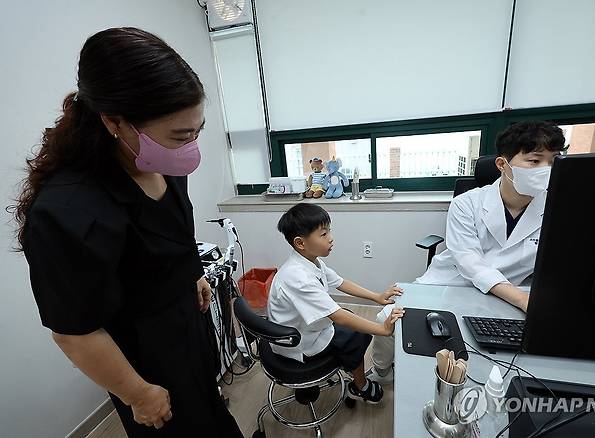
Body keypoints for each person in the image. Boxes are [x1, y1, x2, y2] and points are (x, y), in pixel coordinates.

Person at [13, 28, 242, 437]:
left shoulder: (162, 163)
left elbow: (168, 234)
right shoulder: (68, 213)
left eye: (197, 130)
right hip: (142, 362)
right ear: (115, 121)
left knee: (212, 415)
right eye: (180, 135)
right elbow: (74, 332)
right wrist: (136, 393)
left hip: (187, 326)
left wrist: (192, 273)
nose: (190, 146)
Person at [367, 121, 566, 384]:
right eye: (534, 160)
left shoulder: (558, 208)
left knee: (502, 349)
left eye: (553, 161)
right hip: (451, 282)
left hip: (508, 290)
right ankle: (381, 372)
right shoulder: (467, 203)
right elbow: (468, 262)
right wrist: (520, 299)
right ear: (502, 165)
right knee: (387, 318)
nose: (546, 170)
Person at [268, 203, 405, 404]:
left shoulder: (310, 261)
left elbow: (340, 282)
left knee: (352, 324)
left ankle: (349, 367)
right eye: (323, 234)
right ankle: (360, 386)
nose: (331, 238)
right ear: (300, 243)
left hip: (303, 329)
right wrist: (382, 329)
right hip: (298, 343)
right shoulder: (298, 277)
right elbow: (337, 315)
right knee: (358, 334)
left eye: (329, 231)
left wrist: (377, 297)